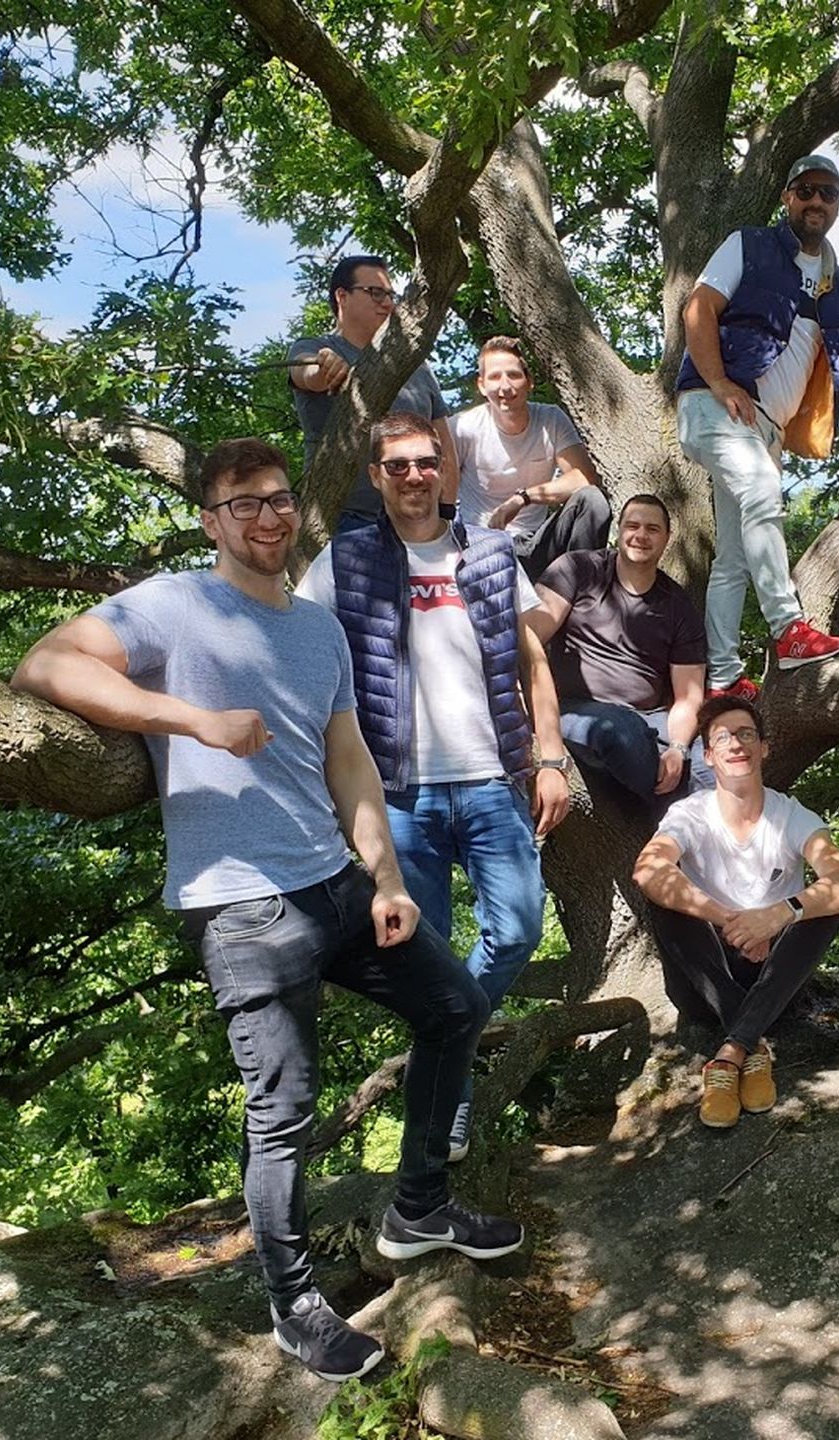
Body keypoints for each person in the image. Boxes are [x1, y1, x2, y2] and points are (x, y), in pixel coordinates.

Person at [10, 438, 520, 1385]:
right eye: (243, 504)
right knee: (283, 1111)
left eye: (278, 499)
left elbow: (348, 761)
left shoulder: (319, 629)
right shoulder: (173, 605)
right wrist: (192, 721)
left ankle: (418, 1206)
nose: (267, 517)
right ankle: (294, 1306)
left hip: (336, 882)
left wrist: (388, 877)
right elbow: (42, 666)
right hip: (241, 905)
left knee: (457, 1005)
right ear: (212, 520)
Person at [296, 412, 571, 1160]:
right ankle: (449, 1094)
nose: (415, 476)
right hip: (397, 794)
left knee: (517, 929)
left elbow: (532, 660)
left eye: (426, 462)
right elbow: (301, 659)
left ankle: (443, 1051)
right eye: (398, 466)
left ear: (445, 469)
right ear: (376, 476)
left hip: (492, 779)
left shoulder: (490, 552)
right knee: (427, 952)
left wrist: (551, 758)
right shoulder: (343, 562)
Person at [675, 152, 839, 701]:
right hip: (716, 406)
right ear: (788, 198)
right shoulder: (749, 245)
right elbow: (698, 309)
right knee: (762, 492)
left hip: (766, 429)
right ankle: (788, 627)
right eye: (806, 191)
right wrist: (719, 381)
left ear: (838, 204)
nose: (816, 201)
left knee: (732, 557)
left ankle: (722, 679)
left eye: (828, 193)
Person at [631, 695, 839, 1127]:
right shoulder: (690, 814)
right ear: (708, 755)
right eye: (723, 738)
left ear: (764, 747)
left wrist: (779, 914)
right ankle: (751, 1044)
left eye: (746, 735)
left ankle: (731, 1052)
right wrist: (732, 921)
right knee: (664, 900)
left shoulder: (791, 815)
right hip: (705, 983)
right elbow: (648, 869)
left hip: (774, 982)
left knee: (826, 907)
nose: (736, 744)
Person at [529, 493, 711, 806]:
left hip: (651, 719)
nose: (641, 535)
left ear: (667, 538)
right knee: (619, 731)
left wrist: (678, 748)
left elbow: (688, 696)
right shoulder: (578, 569)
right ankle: (675, 811)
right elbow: (528, 636)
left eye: (652, 529)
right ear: (619, 531)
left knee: (713, 756)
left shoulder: (678, 605)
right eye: (633, 526)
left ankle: (708, 828)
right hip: (577, 709)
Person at [288, 254, 459, 529]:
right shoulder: (313, 347)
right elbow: (307, 374)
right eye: (375, 293)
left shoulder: (415, 363)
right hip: (344, 520)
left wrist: (446, 512)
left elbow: (444, 447)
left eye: (390, 295)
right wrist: (325, 366)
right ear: (342, 296)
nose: (388, 303)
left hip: (418, 519)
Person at [452, 335, 612, 579]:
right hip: (480, 545)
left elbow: (584, 478)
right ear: (482, 385)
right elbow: (437, 487)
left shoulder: (551, 419)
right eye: (495, 377)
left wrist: (522, 498)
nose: (505, 386)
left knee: (593, 500)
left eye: (513, 375)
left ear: (529, 382)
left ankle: (582, 592)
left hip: (534, 544)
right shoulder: (463, 427)